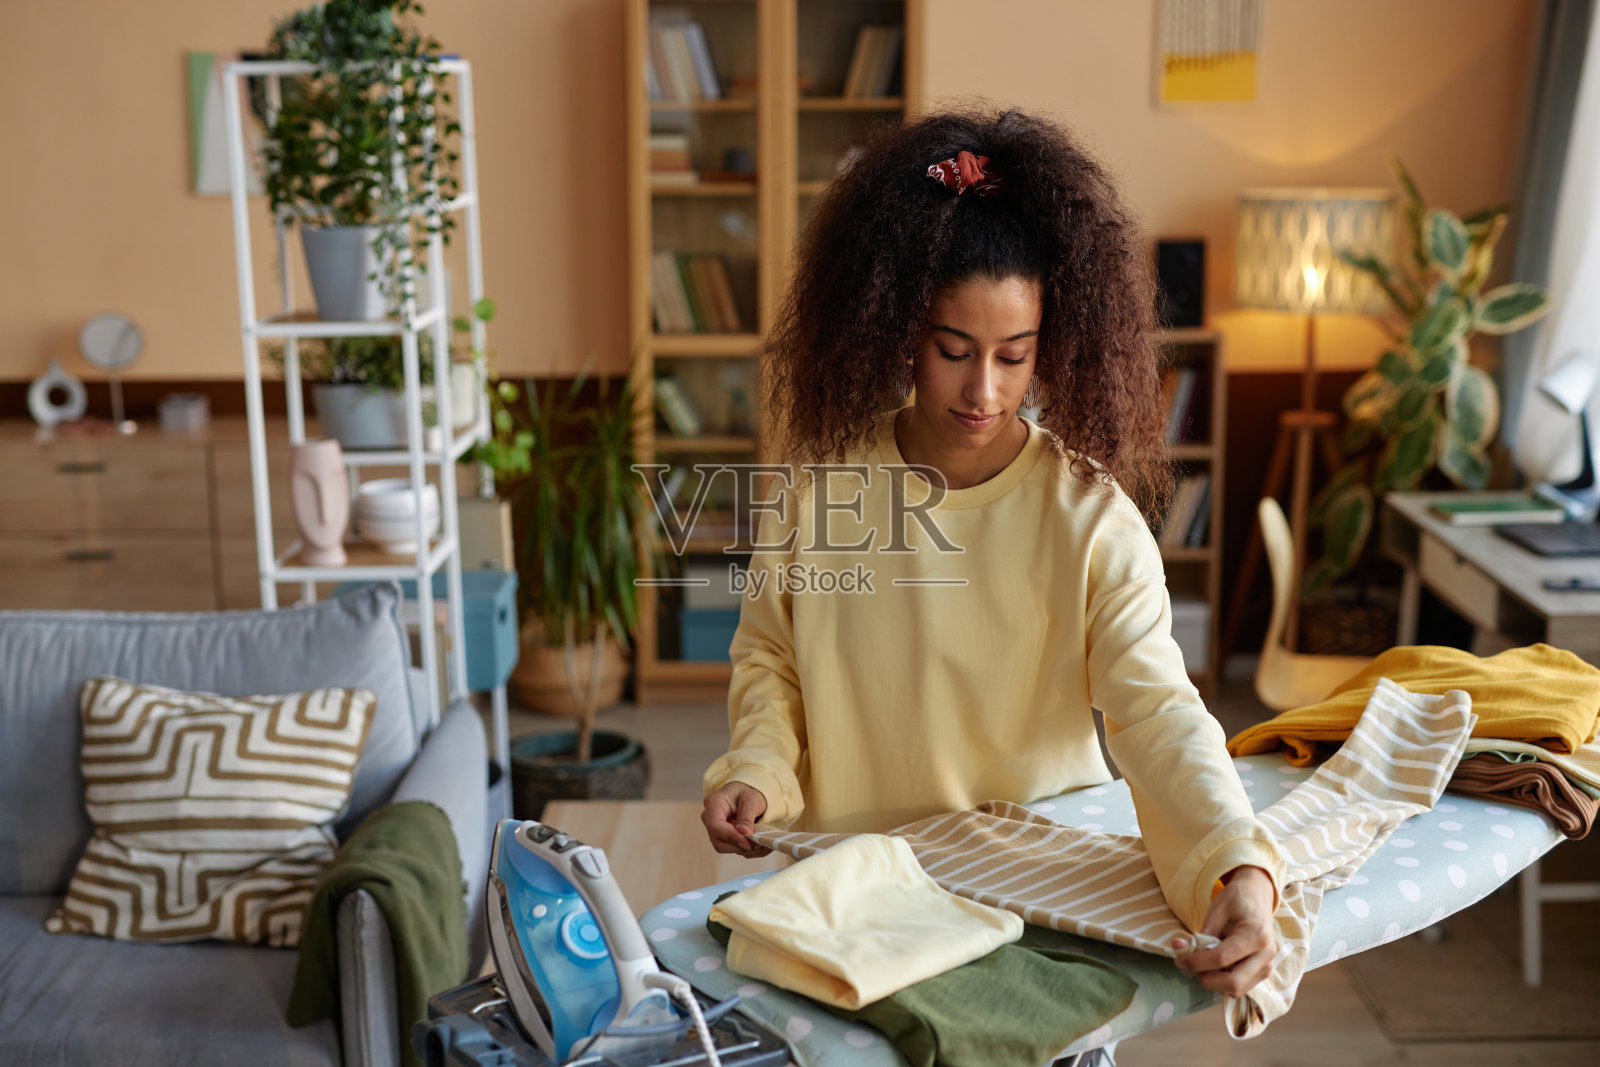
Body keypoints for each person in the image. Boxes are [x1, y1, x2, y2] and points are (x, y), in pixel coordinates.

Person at [698, 107, 1285, 1006]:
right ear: (899, 328)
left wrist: (1236, 864)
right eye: (953, 350)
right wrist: (757, 769)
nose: (984, 389)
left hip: (1037, 908)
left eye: (1016, 356)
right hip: (860, 898)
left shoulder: (1091, 519)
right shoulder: (823, 493)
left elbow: (1158, 713)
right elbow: (773, 659)